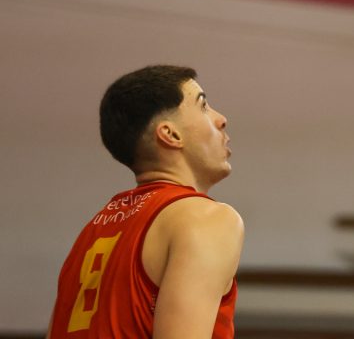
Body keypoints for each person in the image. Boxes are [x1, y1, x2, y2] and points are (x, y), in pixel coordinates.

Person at [47, 65, 243, 338]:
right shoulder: (205, 218)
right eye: (203, 106)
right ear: (171, 135)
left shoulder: (92, 231)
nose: (221, 119)